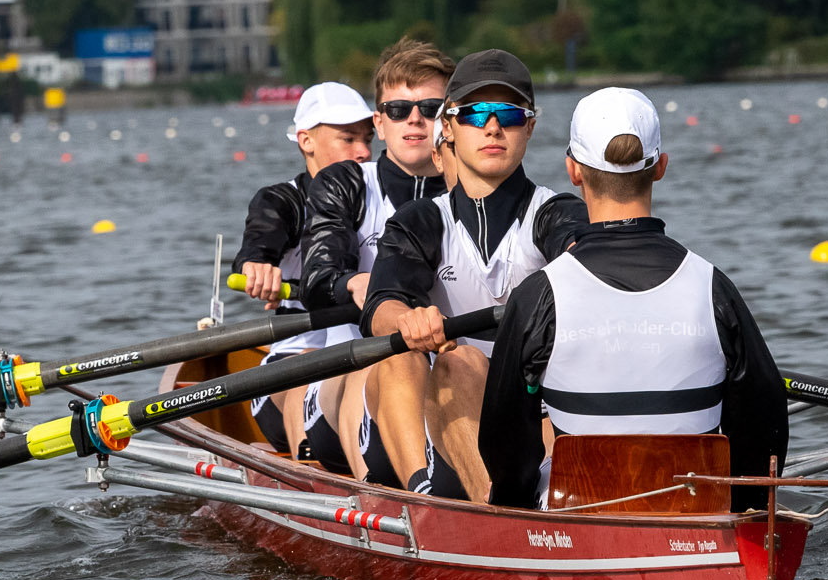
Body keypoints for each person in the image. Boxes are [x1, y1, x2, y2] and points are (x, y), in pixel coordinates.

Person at [472, 87, 788, 510]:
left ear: (573, 171)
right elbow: (766, 424)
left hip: (577, 515)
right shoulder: (713, 286)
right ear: (660, 167)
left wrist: (512, 511)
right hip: (697, 517)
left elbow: (504, 442)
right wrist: (744, 510)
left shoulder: (538, 296)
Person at [362, 50, 585, 500]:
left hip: (533, 416)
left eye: (509, 114)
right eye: (475, 113)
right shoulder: (420, 221)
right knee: (447, 361)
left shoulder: (557, 213)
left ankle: (530, 508)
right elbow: (380, 304)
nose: (493, 127)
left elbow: (582, 252)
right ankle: (467, 504)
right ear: (448, 128)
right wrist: (406, 319)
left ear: (531, 127)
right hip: (450, 428)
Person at [297, 38, 453, 483]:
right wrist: (355, 284)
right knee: (385, 359)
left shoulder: (481, 195)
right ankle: (394, 494)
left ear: (452, 120)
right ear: (380, 124)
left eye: (430, 107)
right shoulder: (345, 183)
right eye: (400, 110)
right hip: (347, 374)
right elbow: (316, 278)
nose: (416, 120)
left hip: (451, 373)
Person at [236, 82, 373, 454]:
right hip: (292, 366)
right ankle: (308, 470)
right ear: (305, 141)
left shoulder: (381, 197)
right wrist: (259, 266)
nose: (362, 152)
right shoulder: (285, 201)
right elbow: (260, 239)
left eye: (367, 138)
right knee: (312, 365)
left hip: (367, 360)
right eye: (348, 138)